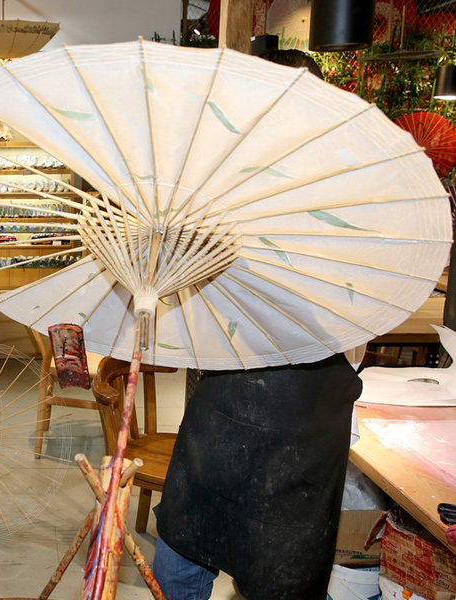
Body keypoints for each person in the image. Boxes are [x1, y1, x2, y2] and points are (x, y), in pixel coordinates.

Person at [150, 50, 365, 600]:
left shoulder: (349, 195)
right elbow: (188, 306)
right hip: (218, 414)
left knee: (276, 582)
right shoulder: (220, 194)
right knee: (177, 568)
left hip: (300, 429)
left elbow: (360, 329)